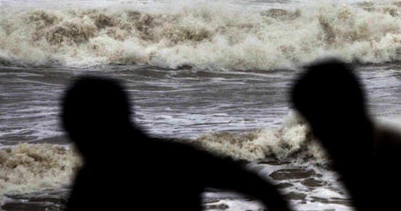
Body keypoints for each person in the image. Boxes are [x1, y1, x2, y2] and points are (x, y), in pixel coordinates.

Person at [61, 76, 291, 211]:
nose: (74, 139)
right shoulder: (177, 157)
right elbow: (264, 189)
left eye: (73, 129)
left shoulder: (91, 183)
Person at [290, 59, 401, 211]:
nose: (313, 133)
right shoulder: (356, 153)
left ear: (342, 115)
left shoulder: (396, 156)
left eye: (316, 122)